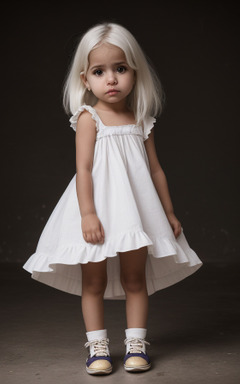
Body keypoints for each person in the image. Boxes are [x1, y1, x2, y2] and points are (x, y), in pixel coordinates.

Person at [23, 22, 202, 375]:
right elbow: (84, 169)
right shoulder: (89, 118)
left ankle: (136, 344)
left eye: (120, 69)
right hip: (99, 212)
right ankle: (98, 346)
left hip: (135, 213)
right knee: (94, 280)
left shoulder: (141, 119)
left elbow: (154, 171)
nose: (112, 79)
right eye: (100, 71)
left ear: (134, 72)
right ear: (85, 79)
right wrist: (88, 214)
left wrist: (167, 211)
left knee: (136, 278)